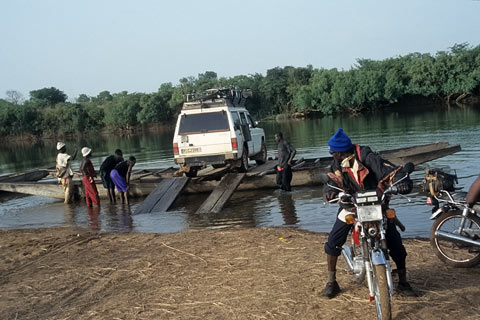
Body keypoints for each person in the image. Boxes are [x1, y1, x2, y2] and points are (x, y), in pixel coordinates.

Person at [321, 128, 416, 298]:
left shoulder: (367, 157)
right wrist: (330, 192)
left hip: (376, 205)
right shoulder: (337, 164)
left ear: (339, 152)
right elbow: (330, 182)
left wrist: (402, 182)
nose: (332, 155)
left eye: (332, 152)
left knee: (395, 243)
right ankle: (331, 282)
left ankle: (403, 281)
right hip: (351, 205)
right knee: (333, 241)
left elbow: (391, 170)